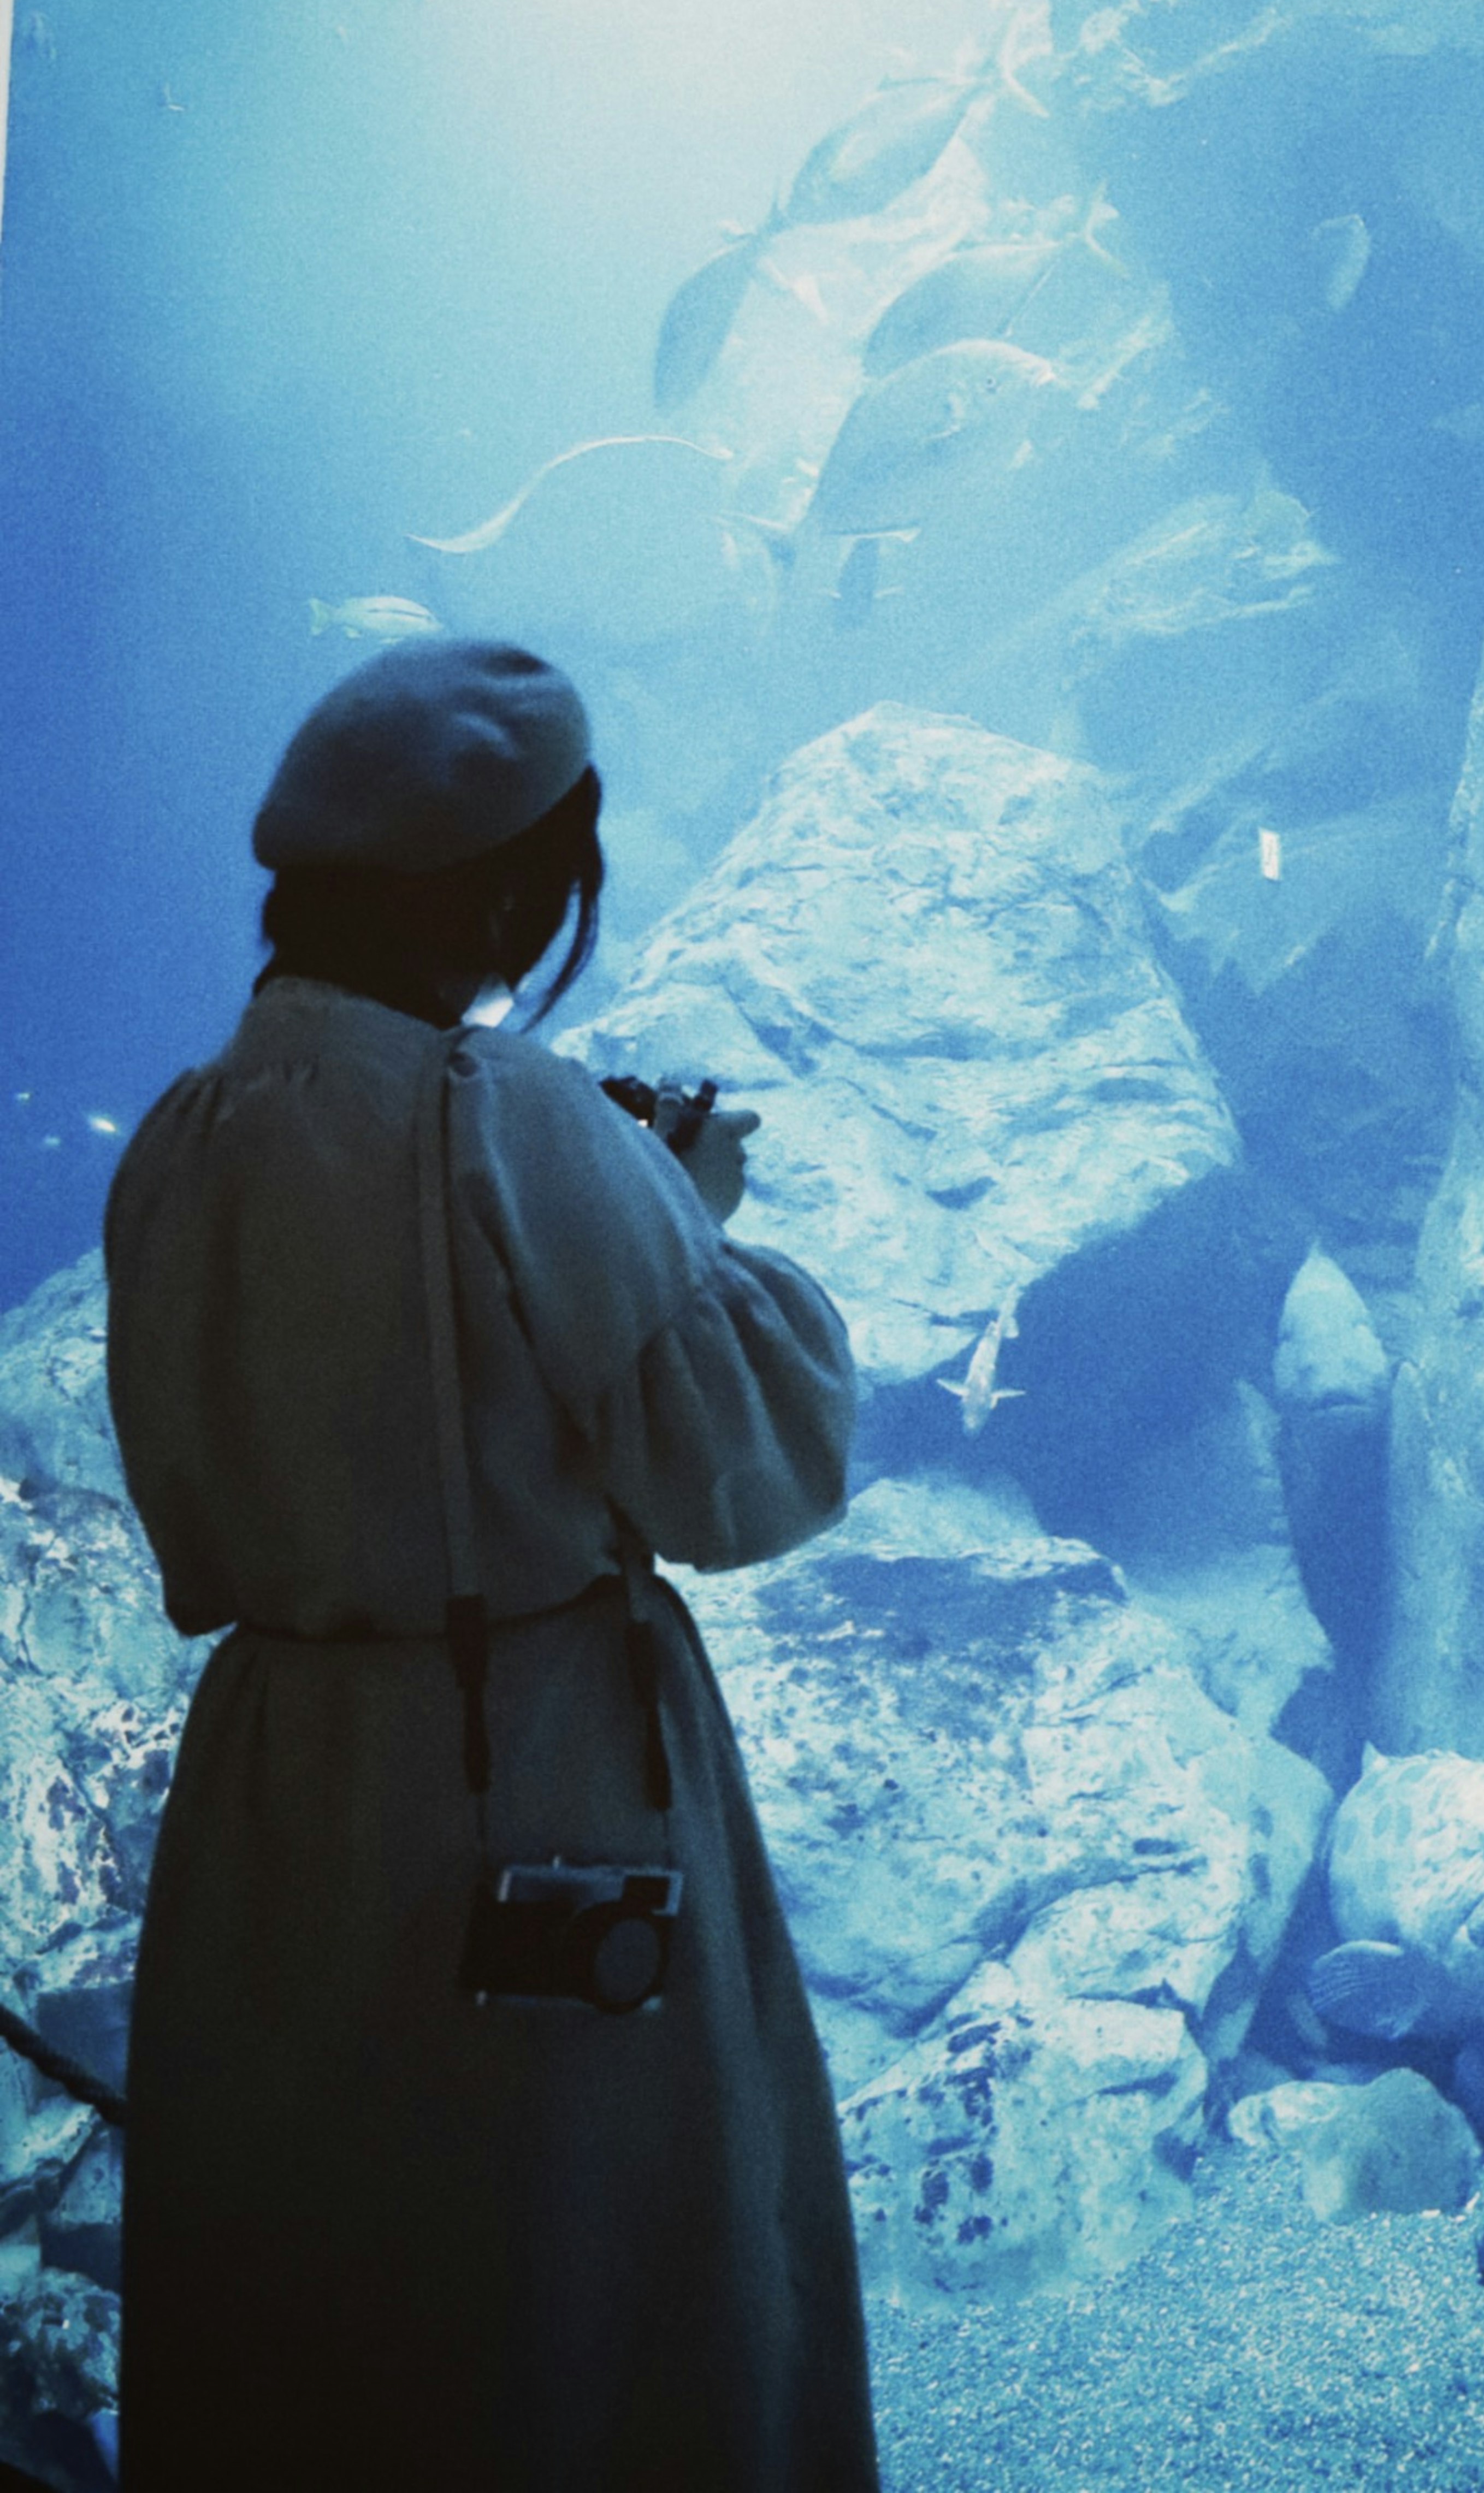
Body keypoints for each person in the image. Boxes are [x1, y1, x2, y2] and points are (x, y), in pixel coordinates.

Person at [102, 639, 882, 2491]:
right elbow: (752, 1472)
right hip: (537, 1765)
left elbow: (199, 1518)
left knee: (322, 2293)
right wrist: (691, 1214)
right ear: (517, 883)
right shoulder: (516, 1115)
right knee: (587, 2290)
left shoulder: (179, 1143)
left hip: (279, 1790)